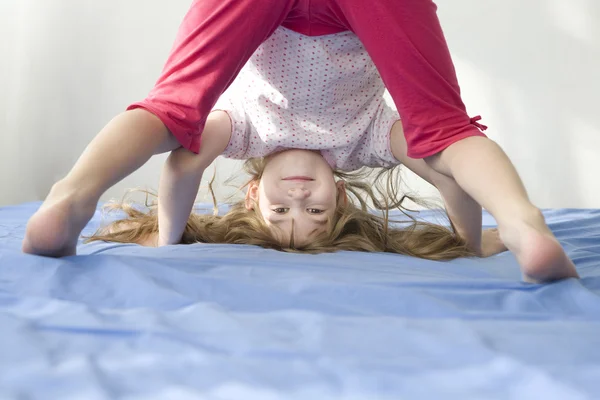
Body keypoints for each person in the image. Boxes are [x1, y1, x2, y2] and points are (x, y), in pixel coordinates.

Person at [22, 0, 579, 283]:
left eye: (281, 209)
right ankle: (524, 222)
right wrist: (471, 237)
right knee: (442, 128)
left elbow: (184, 163)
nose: (298, 199)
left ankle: (72, 194)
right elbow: (444, 166)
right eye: (314, 209)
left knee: (174, 111)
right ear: (339, 192)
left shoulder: (243, 130)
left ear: (251, 193)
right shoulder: (363, 139)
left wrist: (169, 239)